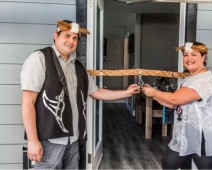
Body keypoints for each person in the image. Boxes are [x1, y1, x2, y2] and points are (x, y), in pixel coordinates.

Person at [21, 20, 140, 169]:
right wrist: (32, 141)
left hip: (74, 140)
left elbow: (96, 92)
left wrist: (126, 92)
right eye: (67, 36)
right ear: (55, 36)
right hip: (50, 141)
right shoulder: (39, 59)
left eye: (75, 38)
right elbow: (28, 102)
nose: (71, 41)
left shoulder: (78, 66)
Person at [141, 42, 212, 169]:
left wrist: (155, 92)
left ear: (203, 57)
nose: (188, 58)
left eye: (193, 55)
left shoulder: (205, 80)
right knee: (169, 163)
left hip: (206, 136)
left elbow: (175, 98)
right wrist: (153, 95)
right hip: (186, 135)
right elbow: (173, 104)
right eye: (186, 55)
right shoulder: (189, 78)